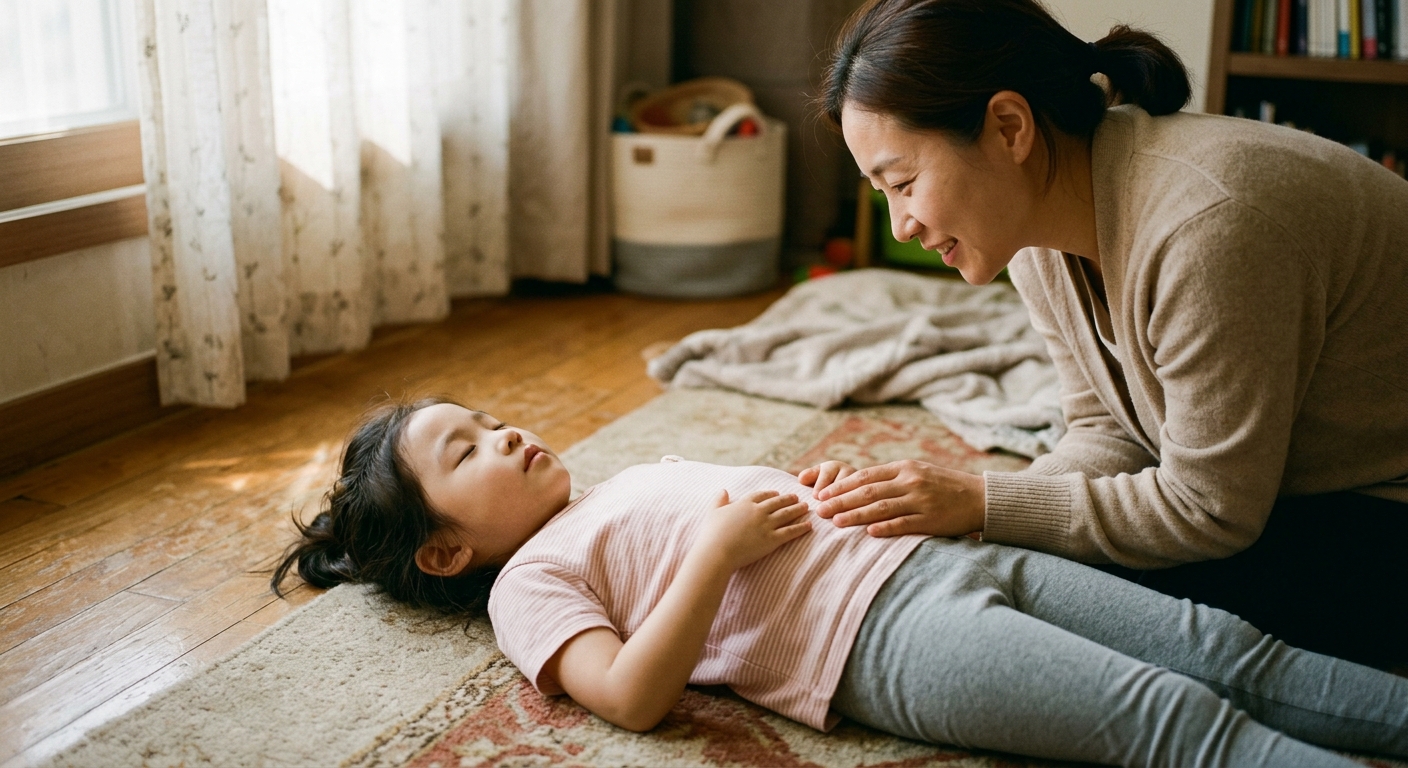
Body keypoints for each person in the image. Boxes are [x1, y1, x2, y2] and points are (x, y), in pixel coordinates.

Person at [272, 397, 1408, 768]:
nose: (505, 436)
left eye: (488, 420)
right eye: (465, 454)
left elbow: (757, 512)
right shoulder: (533, 583)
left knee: (1224, 646)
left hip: (943, 558)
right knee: (1178, 722)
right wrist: (715, 552)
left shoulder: (623, 482)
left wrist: (806, 491)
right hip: (887, 648)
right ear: (443, 552)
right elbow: (626, 697)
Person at [811, 0, 1408, 668]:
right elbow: (1108, 429)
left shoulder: (1210, 228)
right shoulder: (1036, 227)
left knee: (1080, 607)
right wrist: (989, 521)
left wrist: (982, 502)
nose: (900, 226)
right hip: (1291, 492)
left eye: (905, 182)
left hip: (1384, 505)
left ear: (1009, 127)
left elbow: (1209, 511)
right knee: (1016, 571)